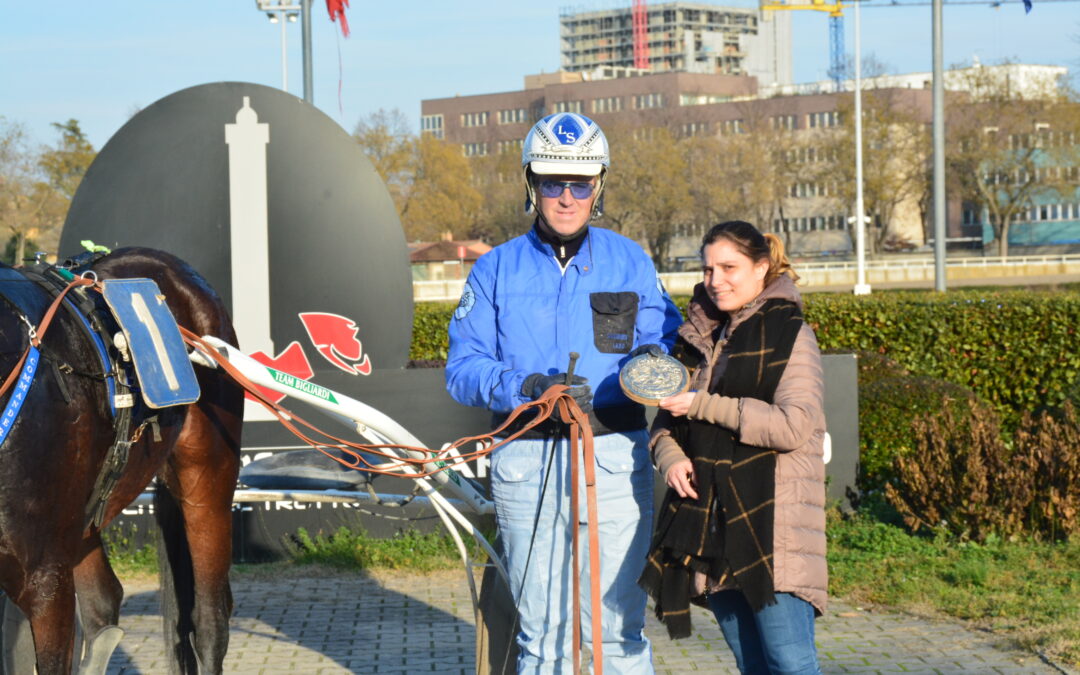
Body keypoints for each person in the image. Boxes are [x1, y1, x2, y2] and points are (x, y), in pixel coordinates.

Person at [446, 111, 683, 674]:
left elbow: (665, 342)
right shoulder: (495, 270)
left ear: (598, 185)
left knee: (617, 631)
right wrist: (525, 386)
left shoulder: (631, 259)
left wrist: (653, 365)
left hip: (614, 459)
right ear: (532, 183)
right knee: (544, 635)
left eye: (581, 183)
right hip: (527, 462)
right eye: (554, 182)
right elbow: (462, 368)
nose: (567, 196)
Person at [640, 220, 827, 675]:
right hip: (711, 528)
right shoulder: (700, 339)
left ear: (762, 267)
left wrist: (705, 405)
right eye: (707, 270)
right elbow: (665, 425)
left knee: (790, 664)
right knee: (752, 666)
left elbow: (793, 427)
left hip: (770, 529)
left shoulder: (790, 334)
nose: (715, 280)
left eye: (729, 267)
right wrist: (672, 459)